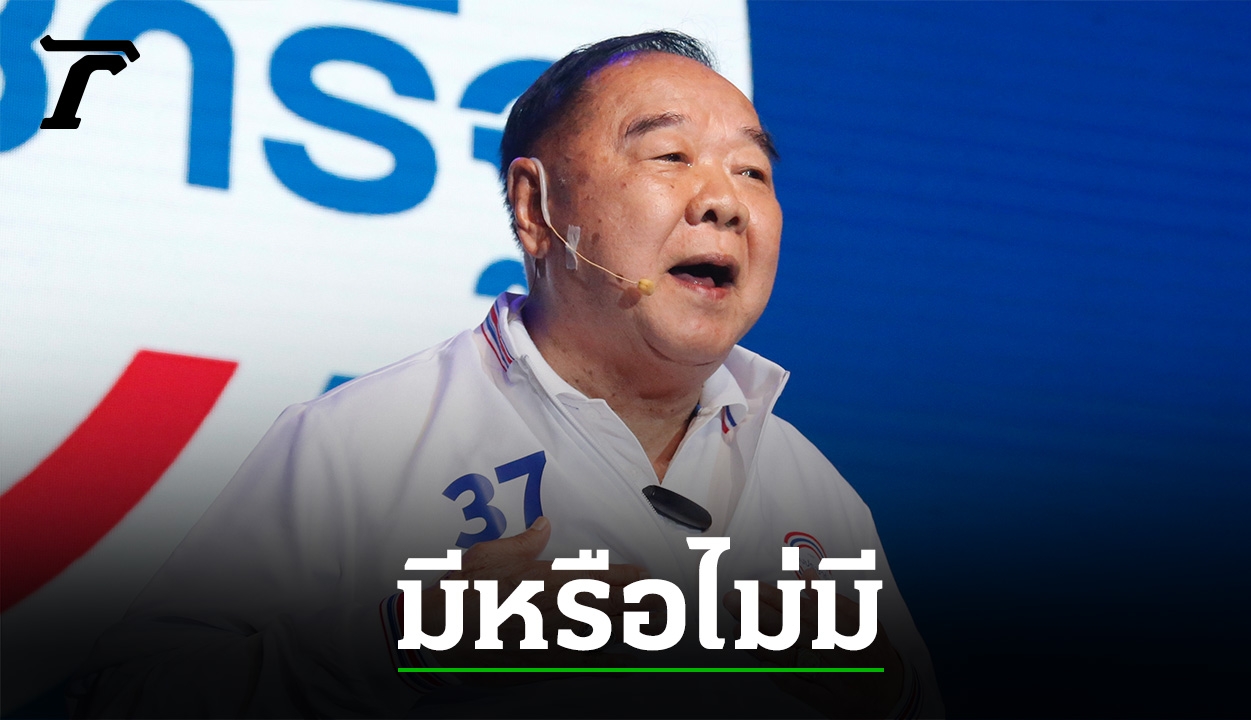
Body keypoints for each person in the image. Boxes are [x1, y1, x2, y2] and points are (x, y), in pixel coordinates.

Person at [71, 31, 943, 718]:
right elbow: (119, 700)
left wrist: (883, 688)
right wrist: (405, 643)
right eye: (670, 156)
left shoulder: (817, 495)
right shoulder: (359, 442)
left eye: (752, 171)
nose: (724, 201)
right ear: (536, 208)